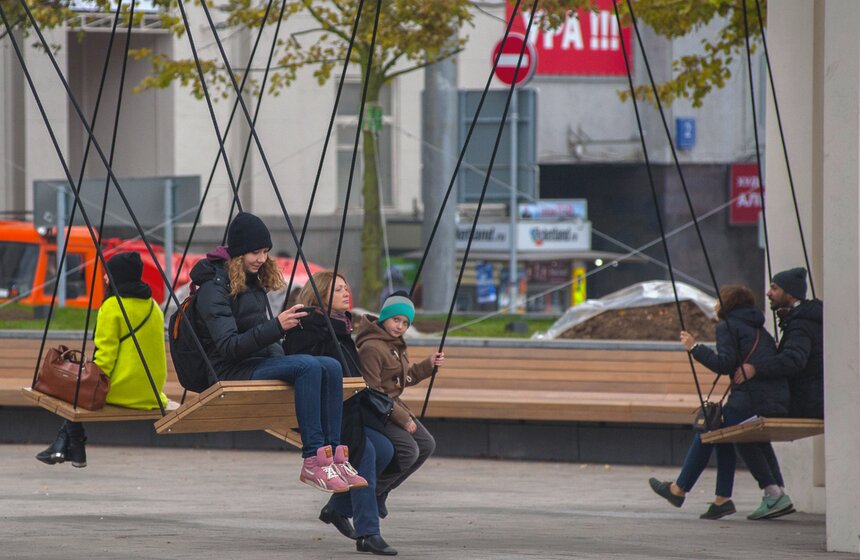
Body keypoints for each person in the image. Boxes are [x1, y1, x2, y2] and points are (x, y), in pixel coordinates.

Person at [190, 212, 365, 493]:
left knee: (330, 366)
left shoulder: (251, 282)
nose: (261, 258)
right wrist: (277, 327)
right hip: (228, 369)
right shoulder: (214, 289)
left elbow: (262, 335)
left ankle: (334, 456)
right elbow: (228, 347)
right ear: (237, 253)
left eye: (265, 252)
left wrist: (281, 354)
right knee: (307, 366)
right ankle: (312, 459)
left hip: (255, 362)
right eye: (254, 252)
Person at [649, 285, 791, 520]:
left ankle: (678, 489)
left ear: (726, 303)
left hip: (749, 401)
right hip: (773, 401)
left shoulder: (727, 326)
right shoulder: (759, 328)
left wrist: (694, 347)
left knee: (709, 428)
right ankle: (721, 500)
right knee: (724, 432)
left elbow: (724, 364)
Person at [285, 271, 398, 555]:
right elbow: (301, 364)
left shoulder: (342, 327)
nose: (347, 293)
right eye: (337, 290)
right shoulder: (311, 326)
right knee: (366, 453)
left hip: (351, 408)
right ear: (320, 295)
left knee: (384, 449)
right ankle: (368, 533)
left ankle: (337, 508)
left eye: (346, 288)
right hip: (328, 414)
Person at [36, 251, 169, 468]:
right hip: (152, 393)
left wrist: (81, 378)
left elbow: (104, 361)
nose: (105, 278)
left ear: (116, 277)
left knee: (71, 389)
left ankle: (73, 447)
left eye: (108, 274)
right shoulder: (154, 306)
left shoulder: (112, 307)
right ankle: (65, 447)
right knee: (77, 389)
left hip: (123, 391)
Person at [731, 267, 823, 519]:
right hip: (809, 398)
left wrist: (754, 368)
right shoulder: (802, 319)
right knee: (749, 426)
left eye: (775, 288)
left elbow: (794, 360)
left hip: (806, 402)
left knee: (741, 426)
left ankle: (773, 493)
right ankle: (775, 492)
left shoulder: (801, 324)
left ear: (790, 294)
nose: (769, 293)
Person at [355, 291, 443, 519]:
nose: (400, 326)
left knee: (426, 445)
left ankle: (382, 491)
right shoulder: (372, 348)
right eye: (396, 320)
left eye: (405, 323)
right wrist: (403, 420)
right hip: (376, 410)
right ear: (384, 317)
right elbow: (372, 392)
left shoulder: (394, 344)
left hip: (390, 406)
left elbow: (402, 379)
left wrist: (428, 366)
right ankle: (366, 496)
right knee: (408, 450)